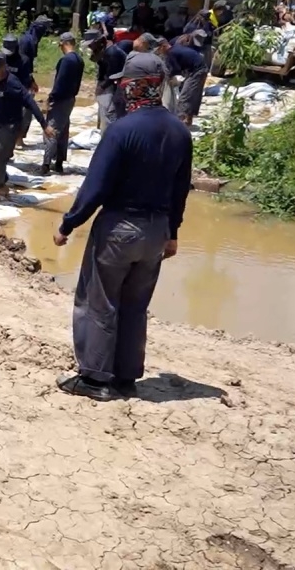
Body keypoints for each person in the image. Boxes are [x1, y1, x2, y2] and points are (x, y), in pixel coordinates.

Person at [53, 53, 192, 401]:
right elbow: (180, 190)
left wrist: (69, 224)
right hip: (156, 231)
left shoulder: (122, 131)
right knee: (135, 305)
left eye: (124, 84)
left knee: (98, 301)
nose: (121, 89)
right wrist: (172, 233)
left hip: (120, 228)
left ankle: (96, 379)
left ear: (137, 86)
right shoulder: (179, 131)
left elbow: (95, 187)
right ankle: (126, 376)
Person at [0, 51, 50, 202]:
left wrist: (44, 124)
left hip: (9, 125)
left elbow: (30, 103)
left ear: (3, 67)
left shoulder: (12, 84)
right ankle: (3, 181)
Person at [42, 32, 84, 175]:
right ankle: (59, 163)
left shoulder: (66, 60)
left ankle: (45, 165)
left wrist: (51, 98)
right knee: (64, 130)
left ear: (64, 43)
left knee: (51, 130)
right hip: (70, 99)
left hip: (60, 99)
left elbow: (59, 82)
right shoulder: (79, 59)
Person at [83, 28, 127, 131]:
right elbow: (103, 70)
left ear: (99, 42)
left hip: (118, 85)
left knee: (111, 113)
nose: (90, 46)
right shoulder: (103, 51)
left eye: (91, 44)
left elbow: (113, 75)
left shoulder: (112, 52)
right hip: (111, 83)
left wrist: (101, 87)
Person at [1, 34, 40, 149]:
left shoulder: (23, 60)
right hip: (2, 92)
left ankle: (19, 139)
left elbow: (26, 77)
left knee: (24, 115)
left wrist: (31, 83)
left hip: (18, 92)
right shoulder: (1, 57)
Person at [169, 30, 208, 127]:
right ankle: (188, 119)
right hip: (199, 69)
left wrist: (169, 77)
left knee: (185, 96)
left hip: (197, 71)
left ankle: (180, 122)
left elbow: (175, 69)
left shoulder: (172, 51)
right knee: (193, 95)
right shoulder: (177, 45)